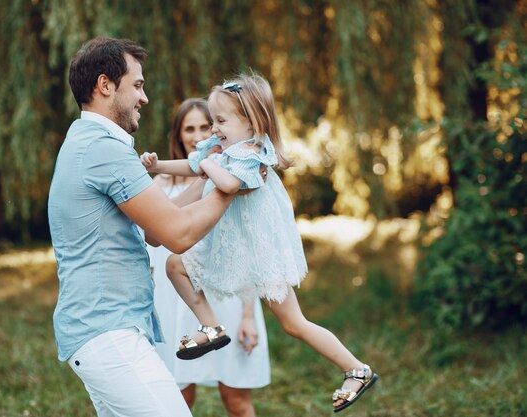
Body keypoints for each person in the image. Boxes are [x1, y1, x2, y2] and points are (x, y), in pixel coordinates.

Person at [140, 73, 380, 413]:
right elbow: (193, 164)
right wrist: (157, 165)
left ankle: (356, 369)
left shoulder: (253, 154)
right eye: (213, 121)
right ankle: (210, 325)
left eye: (220, 121)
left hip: (259, 252)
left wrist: (209, 162)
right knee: (174, 264)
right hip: (233, 249)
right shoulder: (222, 150)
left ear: (251, 122)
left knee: (294, 323)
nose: (214, 130)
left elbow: (226, 183)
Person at [47, 37, 241, 417]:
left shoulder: (86, 141)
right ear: (105, 85)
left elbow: (156, 230)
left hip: (104, 332)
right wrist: (235, 180)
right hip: (108, 335)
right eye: (137, 85)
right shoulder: (104, 150)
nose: (145, 97)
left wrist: (206, 175)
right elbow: (178, 235)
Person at [148, 98, 270, 417]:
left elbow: (246, 246)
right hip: (176, 302)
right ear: (178, 135)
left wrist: (247, 315)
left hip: (225, 297)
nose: (199, 134)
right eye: (189, 128)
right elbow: (153, 240)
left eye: (205, 125)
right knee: (178, 400)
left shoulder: (232, 174)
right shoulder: (158, 186)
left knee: (236, 399)